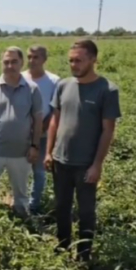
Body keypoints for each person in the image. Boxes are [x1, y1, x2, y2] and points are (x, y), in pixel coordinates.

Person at [44, 39, 121, 262]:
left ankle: (84, 254)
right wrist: (49, 152)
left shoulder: (107, 90)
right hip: (61, 160)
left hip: (86, 164)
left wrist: (97, 164)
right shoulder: (63, 85)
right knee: (61, 206)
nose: (73, 65)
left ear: (93, 60)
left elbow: (108, 131)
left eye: (79, 60)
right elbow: (54, 122)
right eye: (71, 60)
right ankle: (62, 246)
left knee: (86, 211)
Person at [0, 46, 43, 219]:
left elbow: (38, 120)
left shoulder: (32, 89)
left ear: (21, 63)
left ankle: (22, 220)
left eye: (14, 61)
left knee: (21, 195)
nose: (10, 65)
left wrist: (35, 146)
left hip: (21, 152)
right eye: (6, 62)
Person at [21, 45, 60, 214]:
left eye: (36, 57)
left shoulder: (54, 81)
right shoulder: (20, 77)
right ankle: (20, 202)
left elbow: (55, 109)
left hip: (43, 134)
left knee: (39, 171)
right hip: (21, 133)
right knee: (20, 168)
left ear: (44, 59)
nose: (32, 61)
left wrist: (40, 128)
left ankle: (34, 205)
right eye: (29, 57)